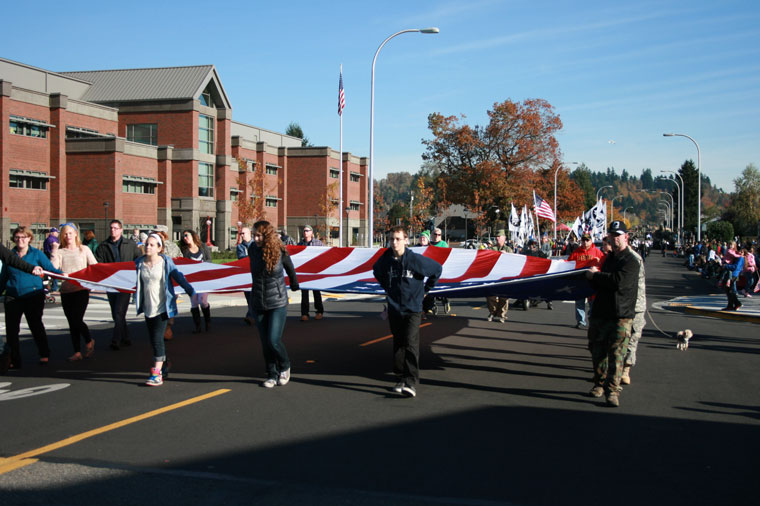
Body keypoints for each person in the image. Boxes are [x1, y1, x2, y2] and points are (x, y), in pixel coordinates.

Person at [373, 226, 442, 398]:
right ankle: (400, 376)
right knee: (398, 341)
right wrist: (387, 287)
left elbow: (437, 269)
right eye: (391, 239)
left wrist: (427, 289)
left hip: (413, 308)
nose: (394, 242)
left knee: (410, 342)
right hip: (395, 308)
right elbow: (376, 271)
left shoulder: (415, 260)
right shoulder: (386, 259)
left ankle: (410, 381)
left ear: (406, 240)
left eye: (397, 239)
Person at [585, 221, 640, 407]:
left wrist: (596, 276)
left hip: (621, 315)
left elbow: (619, 282)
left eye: (618, 235)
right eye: (612, 235)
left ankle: (612, 390)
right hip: (601, 312)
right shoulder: (608, 259)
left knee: (617, 355)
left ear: (626, 237)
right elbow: (601, 282)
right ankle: (599, 384)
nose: (614, 239)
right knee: (597, 351)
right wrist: (594, 278)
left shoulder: (631, 260)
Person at [135, 233, 196, 386]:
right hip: (148, 307)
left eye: (151, 245)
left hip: (163, 307)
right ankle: (165, 363)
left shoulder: (165, 262)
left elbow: (178, 276)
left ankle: (156, 374)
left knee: (157, 339)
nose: (148, 247)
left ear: (159, 248)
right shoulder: (139, 263)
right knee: (155, 340)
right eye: (146, 244)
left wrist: (190, 290)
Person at [248, 220, 300, 388]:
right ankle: (271, 374)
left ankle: (284, 366)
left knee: (273, 340)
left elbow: (290, 268)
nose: (255, 239)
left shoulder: (279, 250)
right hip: (258, 300)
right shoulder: (252, 250)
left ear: (267, 235)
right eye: (254, 235)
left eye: (259, 235)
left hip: (277, 300)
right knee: (265, 342)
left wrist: (294, 283)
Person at [0, 230, 49, 372]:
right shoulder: (12, 253)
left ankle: (44, 353)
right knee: (12, 330)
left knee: (35, 325)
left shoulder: (36, 254)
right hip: (13, 295)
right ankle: (15, 360)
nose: (20, 240)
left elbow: (50, 268)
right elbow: (4, 276)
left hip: (32, 294)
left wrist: (62, 275)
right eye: (17, 237)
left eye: (23, 237)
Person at [50, 223, 98, 362]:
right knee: (71, 322)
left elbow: (94, 266)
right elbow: (54, 269)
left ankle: (89, 340)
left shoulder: (84, 249)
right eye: (65, 233)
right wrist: (54, 251)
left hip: (81, 290)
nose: (68, 236)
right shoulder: (60, 251)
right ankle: (77, 351)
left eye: (70, 233)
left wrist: (90, 280)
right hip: (66, 290)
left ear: (76, 234)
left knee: (77, 319)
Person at [95, 219, 141, 350]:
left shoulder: (130, 244)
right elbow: (98, 264)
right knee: (116, 313)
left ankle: (115, 340)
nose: (113, 230)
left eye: (115, 228)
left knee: (119, 312)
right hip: (111, 284)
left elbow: (139, 260)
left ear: (121, 230)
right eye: (111, 228)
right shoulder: (103, 246)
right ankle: (126, 337)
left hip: (126, 283)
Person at [621, 245, 647, 385]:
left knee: (632, 339)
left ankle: (626, 369)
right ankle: (618, 368)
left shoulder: (633, 258)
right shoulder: (614, 257)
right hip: (620, 305)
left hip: (635, 306)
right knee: (618, 339)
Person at [567, 233, 604, 328]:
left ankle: (592, 320)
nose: (585, 242)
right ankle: (581, 321)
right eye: (583, 240)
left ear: (591, 241)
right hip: (580, 281)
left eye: (587, 240)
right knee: (579, 301)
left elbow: (603, 264)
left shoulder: (597, 252)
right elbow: (569, 263)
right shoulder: (576, 252)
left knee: (593, 303)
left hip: (592, 281)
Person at [180, 229, 212, 332]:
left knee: (202, 300)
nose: (185, 238)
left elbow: (209, 260)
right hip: (191, 280)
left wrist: (202, 266)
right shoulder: (184, 250)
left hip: (203, 279)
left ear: (193, 236)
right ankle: (197, 326)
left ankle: (208, 322)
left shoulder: (202, 247)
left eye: (186, 235)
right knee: (194, 302)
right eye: (183, 236)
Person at [298, 225, 324, 321]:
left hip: (315, 272)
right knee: (304, 293)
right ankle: (305, 314)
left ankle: (319, 311)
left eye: (307, 230)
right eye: (304, 231)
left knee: (316, 292)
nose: (305, 232)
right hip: (304, 273)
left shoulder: (318, 243)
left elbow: (323, 256)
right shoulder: (300, 244)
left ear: (311, 233)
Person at [486, 230, 513, 322]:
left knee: (504, 297)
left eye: (499, 236)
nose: (497, 238)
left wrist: (507, 255)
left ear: (504, 238)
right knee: (491, 296)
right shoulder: (492, 249)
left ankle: (502, 315)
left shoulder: (508, 249)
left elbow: (513, 260)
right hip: (493, 276)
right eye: (496, 236)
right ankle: (492, 312)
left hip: (504, 276)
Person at [236, 226, 254, 325]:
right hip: (245, 275)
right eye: (241, 234)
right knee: (248, 296)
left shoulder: (255, 244)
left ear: (249, 233)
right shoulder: (240, 247)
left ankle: (250, 315)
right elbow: (242, 259)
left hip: (255, 274)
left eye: (244, 233)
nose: (242, 235)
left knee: (254, 295)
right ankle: (251, 314)